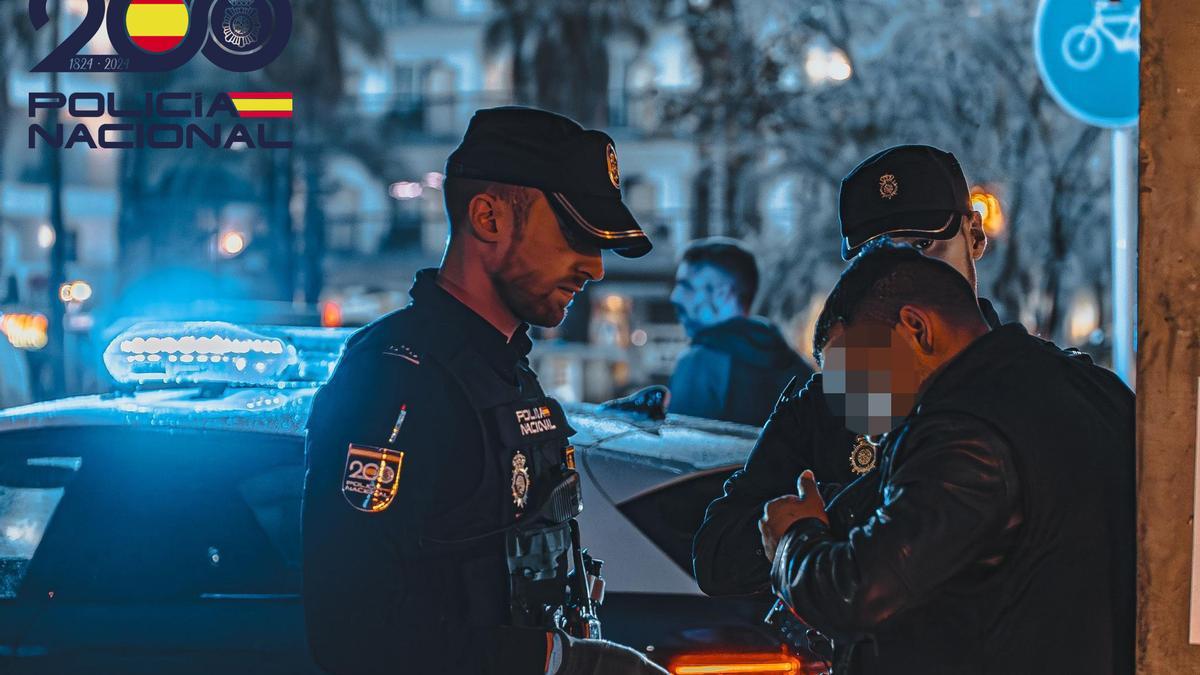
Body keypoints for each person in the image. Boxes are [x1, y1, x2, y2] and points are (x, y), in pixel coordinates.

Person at [302, 107, 668, 675]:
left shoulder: (504, 369)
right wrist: (558, 661)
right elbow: (356, 631)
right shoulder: (396, 376)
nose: (595, 267)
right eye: (575, 234)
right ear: (488, 217)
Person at [758, 240, 1134, 673]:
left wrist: (794, 539)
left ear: (916, 328)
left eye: (850, 375)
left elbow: (861, 591)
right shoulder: (1093, 387)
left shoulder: (963, 429)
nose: (850, 408)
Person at [693, 144, 1001, 597]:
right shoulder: (827, 402)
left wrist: (850, 516)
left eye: (924, 247)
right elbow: (717, 556)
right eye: (882, 256)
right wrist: (822, 521)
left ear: (974, 235)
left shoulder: (1028, 384)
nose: (904, 275)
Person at [667, 237, 813, 426]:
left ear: (722, 294)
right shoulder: (801, 371)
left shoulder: (699, 362)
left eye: (686, 286)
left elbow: (681, 440)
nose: (675, 297)